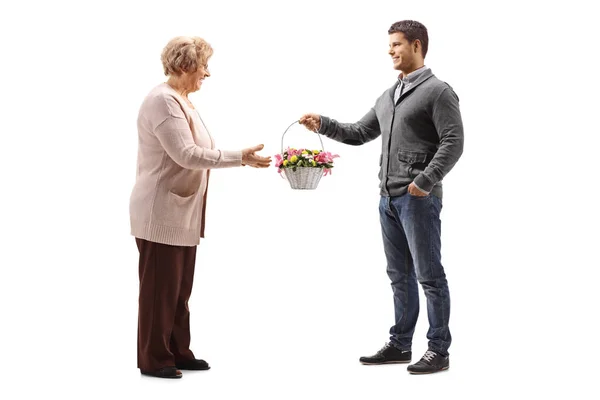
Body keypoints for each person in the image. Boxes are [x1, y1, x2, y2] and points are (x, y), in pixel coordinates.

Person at [299, 20, 463, 374]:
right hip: (387, 200)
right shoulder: (388, 95)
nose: (390, 51)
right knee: (399, 275)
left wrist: (425, 180)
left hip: (418, 199)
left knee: (429, 276)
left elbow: (453, 142)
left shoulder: (438, 92)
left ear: (417, 46)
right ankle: (401, 345)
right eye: (389, 45)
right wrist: (323, 123)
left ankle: (439, 350)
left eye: (396, 44)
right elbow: (359, 133)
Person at [129, 36, 271, 379]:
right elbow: (187, 155)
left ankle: (177, 351)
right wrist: (240, 158)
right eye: (203, 65)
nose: (207, 73)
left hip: (182, 212)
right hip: (160, 211)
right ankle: (154, 358)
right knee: (160, 291)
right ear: (182, 66)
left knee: (178, 290)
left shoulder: (182, 101)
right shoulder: (162, 101)